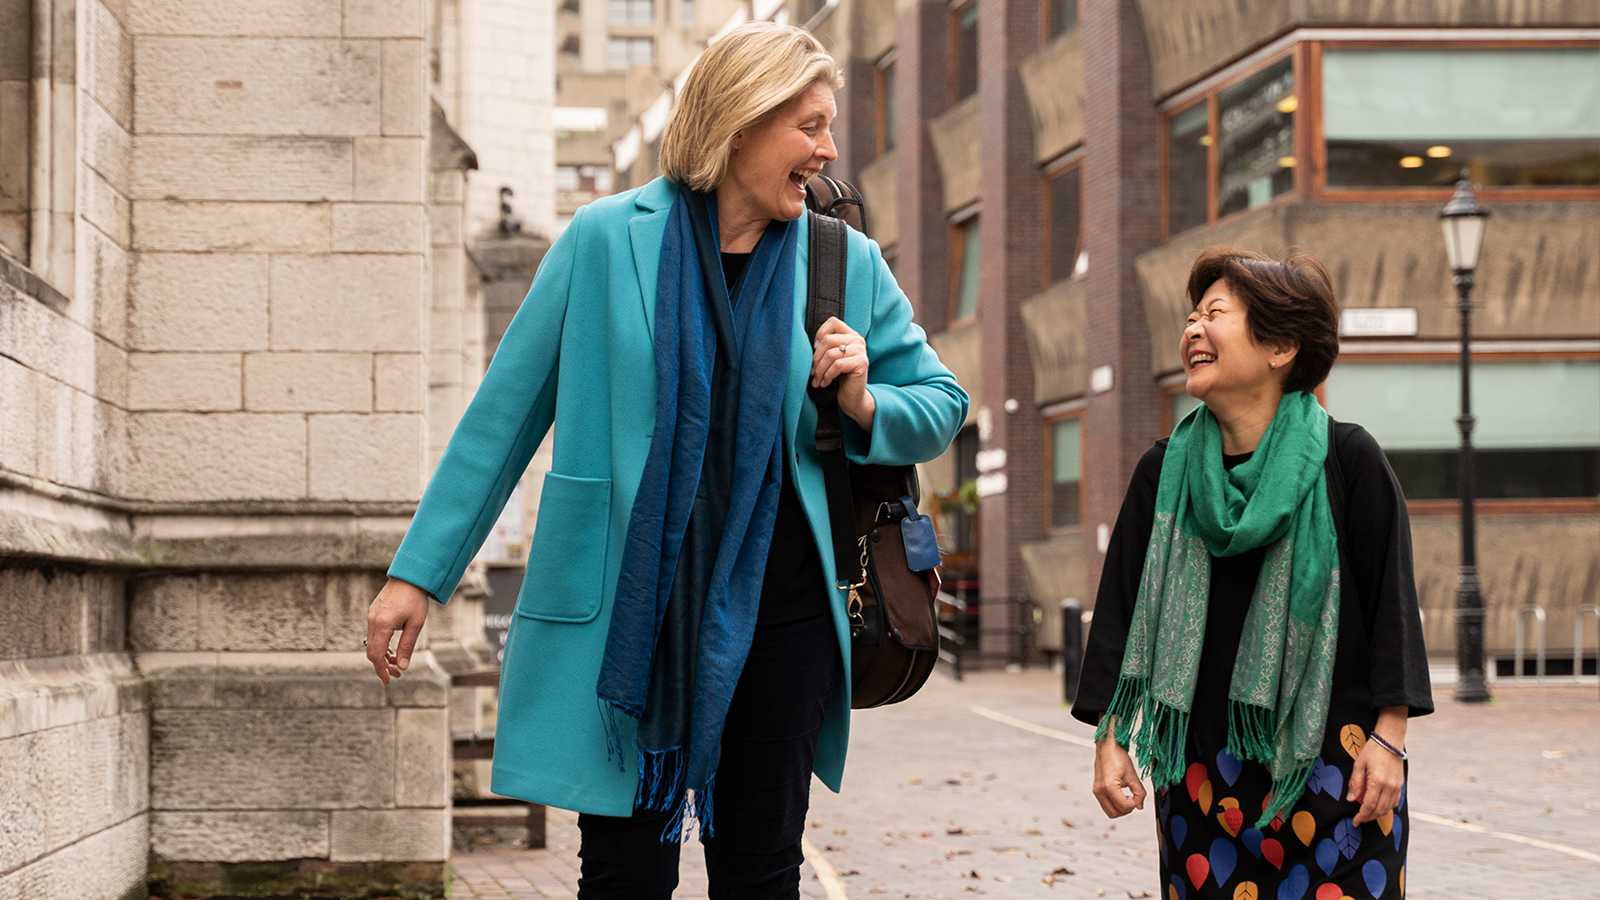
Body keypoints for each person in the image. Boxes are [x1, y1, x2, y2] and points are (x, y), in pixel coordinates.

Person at [364, 22, 967, 900]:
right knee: (621, 876)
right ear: (740, 124)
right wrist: (419, 574)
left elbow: (942, 403)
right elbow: (502, 419)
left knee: (761, 873)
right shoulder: (605, 240)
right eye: (809, 125)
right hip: (628, 612)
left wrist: (864, 400)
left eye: (828, 126)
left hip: (787, 618)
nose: (828, 149)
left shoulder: (843, 260)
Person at [1073, 248, 1432, 899]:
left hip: (1341, 773)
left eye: (1215, 313)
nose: (1193, 329)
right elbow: (1121, 611)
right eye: (1191, 316)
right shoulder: (1164, 472)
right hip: (1200, 787)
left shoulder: (1347, 458)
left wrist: (1391, 737)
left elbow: (1393, 608)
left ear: (1281, 348)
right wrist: (1110, 738)